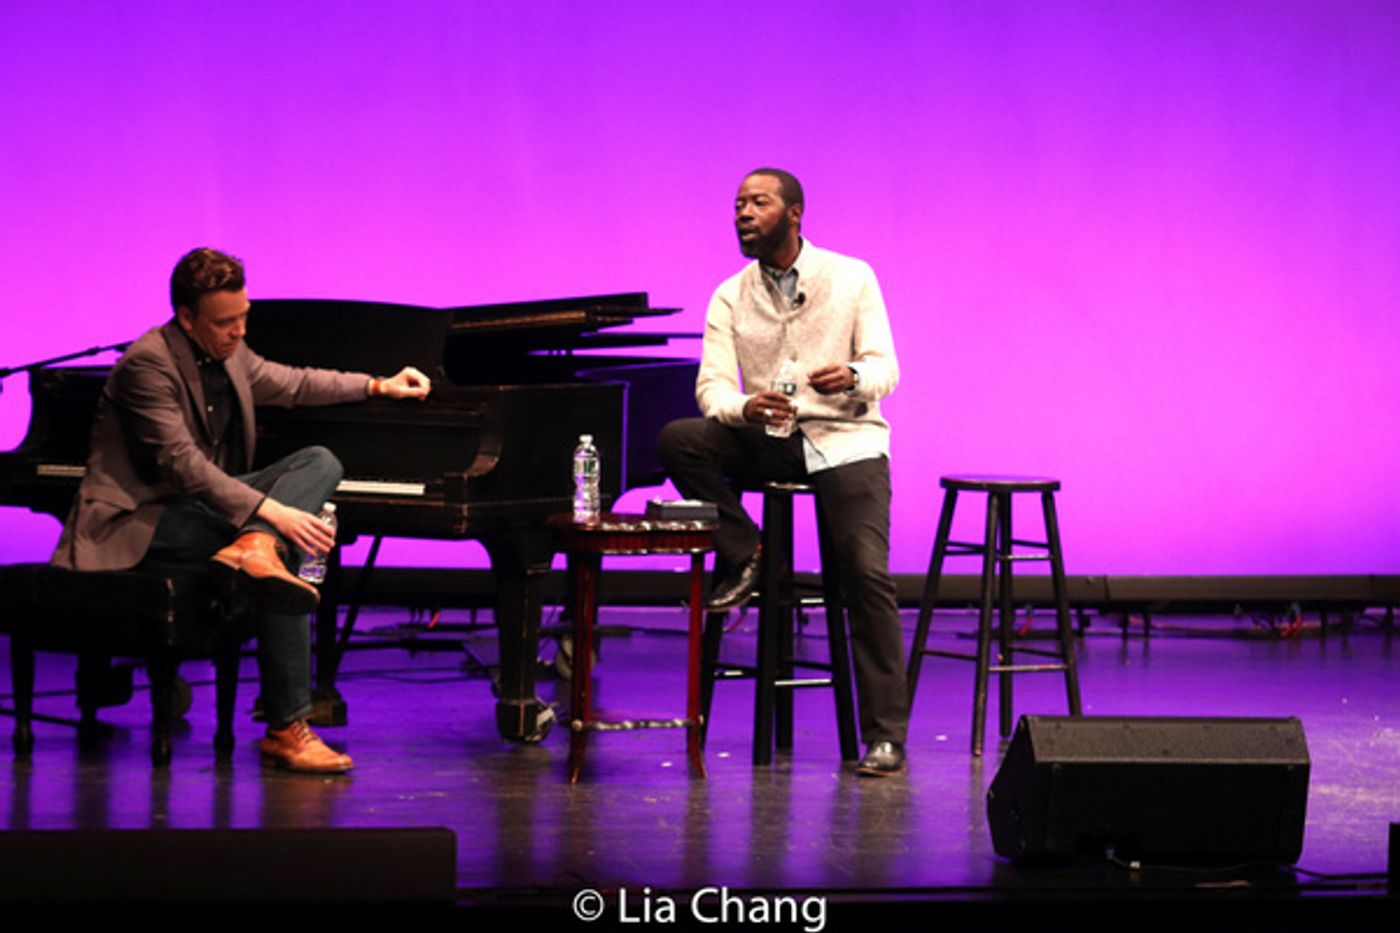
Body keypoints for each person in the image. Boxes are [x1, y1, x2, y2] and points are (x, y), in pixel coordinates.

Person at [51, 247, 431, 773]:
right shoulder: (148, 363)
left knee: (320, 461)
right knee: (284, 553)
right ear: (187, 318)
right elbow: (182, 466)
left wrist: (375, 385)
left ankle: (255, 549)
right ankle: (286, 727)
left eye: (243, 317)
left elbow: (294, 383)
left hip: (203, 513)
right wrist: (271, 512)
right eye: (225, 322)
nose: (239, 332)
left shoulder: (231, 353)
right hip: (143, 521)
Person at [659, 168, 910, 776]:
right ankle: (751, 550)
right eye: (738, 204)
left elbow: (886, 370)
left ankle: (885, 736)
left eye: (758, 202)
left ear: (794, 213)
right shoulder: (729, 294)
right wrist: (745, 406)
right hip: (771, 438)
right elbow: (711, 386)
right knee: (679, 441)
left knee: (865, 571)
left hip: (845, 440)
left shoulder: (851, 277)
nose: (743, 213)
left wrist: (852, 376)